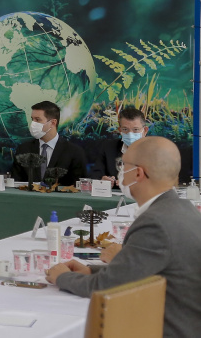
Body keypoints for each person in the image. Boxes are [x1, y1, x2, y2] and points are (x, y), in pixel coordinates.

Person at [46, 137, 201, 338]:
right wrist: (90, 270)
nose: (119, 171)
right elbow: (144, 269)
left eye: (122, 165)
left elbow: (107, 287)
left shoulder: (155, 223)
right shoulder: (183, 209)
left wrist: (62, 277)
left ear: (138, 173)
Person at [11, 100, 86, 187]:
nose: (33, 124)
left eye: (37, 120)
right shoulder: (23, 149)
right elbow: (15, 183)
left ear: (53, 123)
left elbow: (78, 186)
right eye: (32, 119)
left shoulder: (74, 152)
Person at [88, 106, 147, 184]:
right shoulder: (108, 147)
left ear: (145, 131)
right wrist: (102, 181)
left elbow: (161, 183)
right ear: (120, 130)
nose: (130, 134)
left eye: (135, 129)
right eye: (125, 129)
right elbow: (95, 175)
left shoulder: (157, 152)